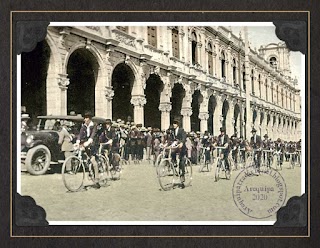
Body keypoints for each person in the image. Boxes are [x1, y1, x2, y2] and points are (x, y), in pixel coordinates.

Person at [75, 111, 100, 188]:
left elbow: (93, 135)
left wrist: (88, 142)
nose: (85, 119)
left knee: (93, 160)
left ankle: (96, 179)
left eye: (86, 118)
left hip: (94, 144)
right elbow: (80, 134)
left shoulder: (94, 125)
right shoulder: (84, 126)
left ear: (89, 119)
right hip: (86, 143)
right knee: (80, 151)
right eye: (84, 118)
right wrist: (77, 141)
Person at [171, 119, 187, 186]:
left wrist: (182, 143)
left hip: (181, 147)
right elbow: (171, 139)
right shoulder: (173, 131)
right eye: (173, 124)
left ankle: (182, 175)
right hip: (176, 146)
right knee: (172, 152)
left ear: (177, 124)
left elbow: (184, 137)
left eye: (175, 124)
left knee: (182, 162)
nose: (174, 125)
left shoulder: (181, 130)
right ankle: (174, 162)